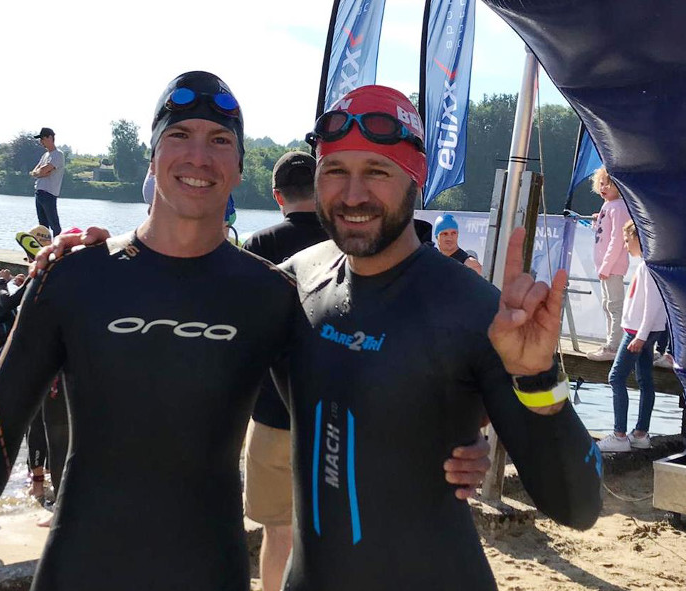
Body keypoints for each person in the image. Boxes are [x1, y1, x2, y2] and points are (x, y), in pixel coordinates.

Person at [0, 72, 488, 591]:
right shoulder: (74, 276)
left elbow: (341, 414)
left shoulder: (269, 296)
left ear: (242, 168)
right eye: (180, 135)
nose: (199, 155)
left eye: (220, 140)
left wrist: (461, 440)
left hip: (208, 568)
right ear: (152, 157)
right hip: (82, 564)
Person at [275, 84, 602, 590]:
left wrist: (538, 377)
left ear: (416, 179)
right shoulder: (292, 282)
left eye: (378, 172)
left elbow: (578, 506)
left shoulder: (475, 311)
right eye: (335, 170)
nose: (354, 194)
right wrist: (107, 258)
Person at [242, 151, 329, 591]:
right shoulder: (346, 242)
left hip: (273, 413)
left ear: (278, 195)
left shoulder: (257, 246)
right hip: (337, 417)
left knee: (277, 532)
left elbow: (243, 336)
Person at [599, 220, 667, 452]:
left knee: (616, 378)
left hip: (637, 332)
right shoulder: (649, 266)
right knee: (644, 380)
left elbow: (652, 304)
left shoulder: (648, 268)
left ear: (639, 238)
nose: (626, 246)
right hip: (645, 331)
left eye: (628, 241)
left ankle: (619, 435)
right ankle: (640, 433)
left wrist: (640, 335)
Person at [586, 166, 631, 361]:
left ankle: (614, 345)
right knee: (607, 304)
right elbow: (605, 234)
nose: (603, 188)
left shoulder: (619, 207)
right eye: (601, 183)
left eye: (608, 184)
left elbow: (617, 239)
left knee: (614, 304)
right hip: (605, 266)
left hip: (612, 267)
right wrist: (598, 221)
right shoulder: (609, 206)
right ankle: (611, 342)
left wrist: (606, 266)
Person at [30, 127, 65, 237]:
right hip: (39, 192)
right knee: (42, 227)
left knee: (54, 225)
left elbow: (44, 170)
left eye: (43, 139)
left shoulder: (58, 154)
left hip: (49, 193)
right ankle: (45, 249)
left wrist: (40, 172)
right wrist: (39, 173)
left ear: (50, 137)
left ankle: (58, 249)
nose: (41, 142)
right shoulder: (45, 156)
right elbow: (34, 172)